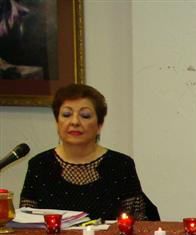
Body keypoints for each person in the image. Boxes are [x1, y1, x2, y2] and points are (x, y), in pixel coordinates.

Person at [19, 83, 159, 221]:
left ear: (99, 125)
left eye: (85, 116)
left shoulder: (121, 165)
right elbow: (26, 224)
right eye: (66, 114)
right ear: (57, 122)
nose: (75, 122)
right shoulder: (38, 165)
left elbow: (138, 224)